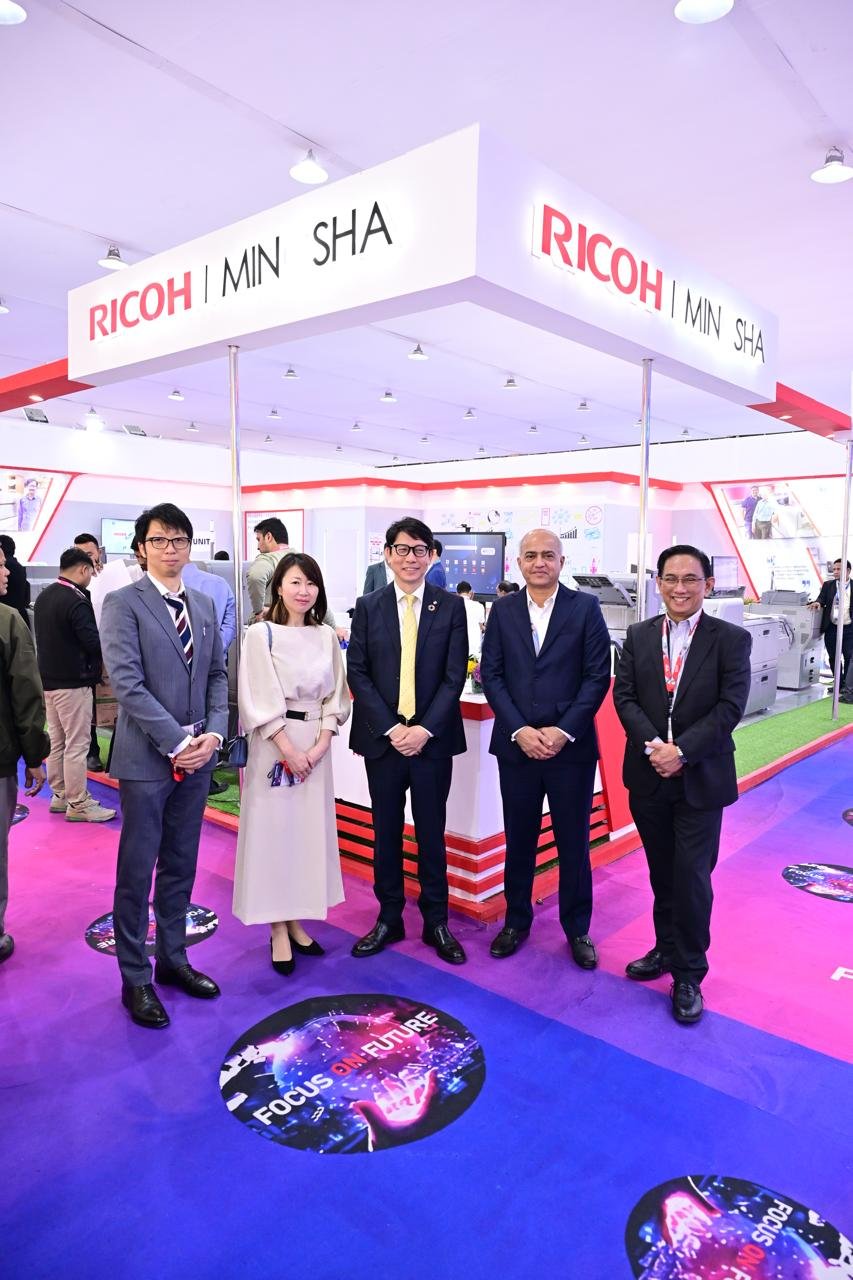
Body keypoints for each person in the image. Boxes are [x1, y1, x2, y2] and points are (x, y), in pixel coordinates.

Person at [100, 502, 228, 1029]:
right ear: (141, 548)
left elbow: (218, 675)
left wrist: (213, 734)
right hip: (147, 758)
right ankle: (135, 977)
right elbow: (126, 684)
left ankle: (173, 959)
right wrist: (178, 742)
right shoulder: (122, 603)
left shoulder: (203, 603)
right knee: (137, 868)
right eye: (159, 540)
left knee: (180, 861)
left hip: (199, 757)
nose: (170, 549)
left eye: (179, 540)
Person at [612, 544, 751, 1025]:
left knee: (692, 877)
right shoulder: (639, 635)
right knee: (662, 873)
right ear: (658, 583)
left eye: (690, 579)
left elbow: (730, 708)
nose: (679, 588)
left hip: (701, 777)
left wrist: (682, 751)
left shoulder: (730, 639)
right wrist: (656, 747)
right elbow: (625, 697)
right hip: (649, 774)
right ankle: (665, 949)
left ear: (708, 585)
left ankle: (689, 973)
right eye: (670, 579)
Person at [480, 528, 611, 965]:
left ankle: (578, 929)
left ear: (561, 562)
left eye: (548, 555)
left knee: (573, 842)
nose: (540, 562)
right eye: (531, 555)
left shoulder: (585, 607)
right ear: (518, 562)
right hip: (516, 747)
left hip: (569, 750)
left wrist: (562, 731)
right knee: (519, 839)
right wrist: (519, 729)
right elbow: (492, 674)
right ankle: (515, 921)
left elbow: (597, 676)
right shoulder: (503, 610)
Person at [347, 517, 468, 964]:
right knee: (386, 831)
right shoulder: (368, 606)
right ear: (388, 554)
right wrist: (394, 728)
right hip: (384, 742)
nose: (411, 558)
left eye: (420, 550)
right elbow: (357, 671)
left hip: (432, 741)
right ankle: (389, 917)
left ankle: (436, 920)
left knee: (432, 832)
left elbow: (454, 675)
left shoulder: (450, 607)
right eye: (402, 549)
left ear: (431, 555)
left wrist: (423, 729)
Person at [233, 553, 349, 972]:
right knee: (274, 836)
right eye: (296, 582)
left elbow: (336, 697)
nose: (304, 591)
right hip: (274, 746)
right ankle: (276, 927)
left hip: (316, 747)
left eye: (311, 583)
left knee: (305, 837)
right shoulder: (259, 634)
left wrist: (319, 746)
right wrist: (289, 750)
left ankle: (296, 918)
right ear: (279, 586)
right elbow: (257, 698)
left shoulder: (325, 635)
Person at [33, 548, 115, 823]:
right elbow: (92, 642)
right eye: (91, 571)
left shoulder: (44, 596)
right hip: (73, 684)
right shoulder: (76, 600)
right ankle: (78, 802)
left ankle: (60, 795)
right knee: (77, 745)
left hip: (50, 683)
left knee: (58, 742)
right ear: (83, 569)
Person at [0, 542, 49, 964]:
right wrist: (34, 756)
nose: (7, 573)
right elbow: (26, 694)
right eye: (0, 566)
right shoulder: (8, 621)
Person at [182, 560, 238, 795]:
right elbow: (231, 623)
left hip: (177, 669)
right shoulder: (220, 584)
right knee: (210, 713)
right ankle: (205, 773)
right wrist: (213, 649)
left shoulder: (156, 588)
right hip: (214, 665)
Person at [74, 533, 106, 771]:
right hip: (87, 654)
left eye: (89, 554)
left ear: (99, 553)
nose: (85, 559)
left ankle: (118, 754)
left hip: (113, 648)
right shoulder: (74, 585)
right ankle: (91, 751)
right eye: (79, 554)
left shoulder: (113, 576)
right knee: (88, 706)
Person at [809, 559, 853, 690]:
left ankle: (847, 686)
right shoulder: (828, 585)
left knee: (849, 657)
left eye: (839, 569)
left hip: (849, 628)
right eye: (834, 569)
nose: (835, 572)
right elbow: (821, 598)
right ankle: (838, 684)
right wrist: (818, 603)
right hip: (832, 627)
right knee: (833, 657)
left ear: (848, 571)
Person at [0, 536, 31, 629]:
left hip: (8, 621)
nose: (7, 572)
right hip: (21, 616)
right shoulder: (20, 568)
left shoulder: (8, 566)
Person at [456, 580, 485, 655]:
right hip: (474, 647)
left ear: (457, 593)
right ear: (471, 592)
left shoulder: (453, 606)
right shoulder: (479, 606)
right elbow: (481, 626)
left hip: (457, 647)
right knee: (473, 663)